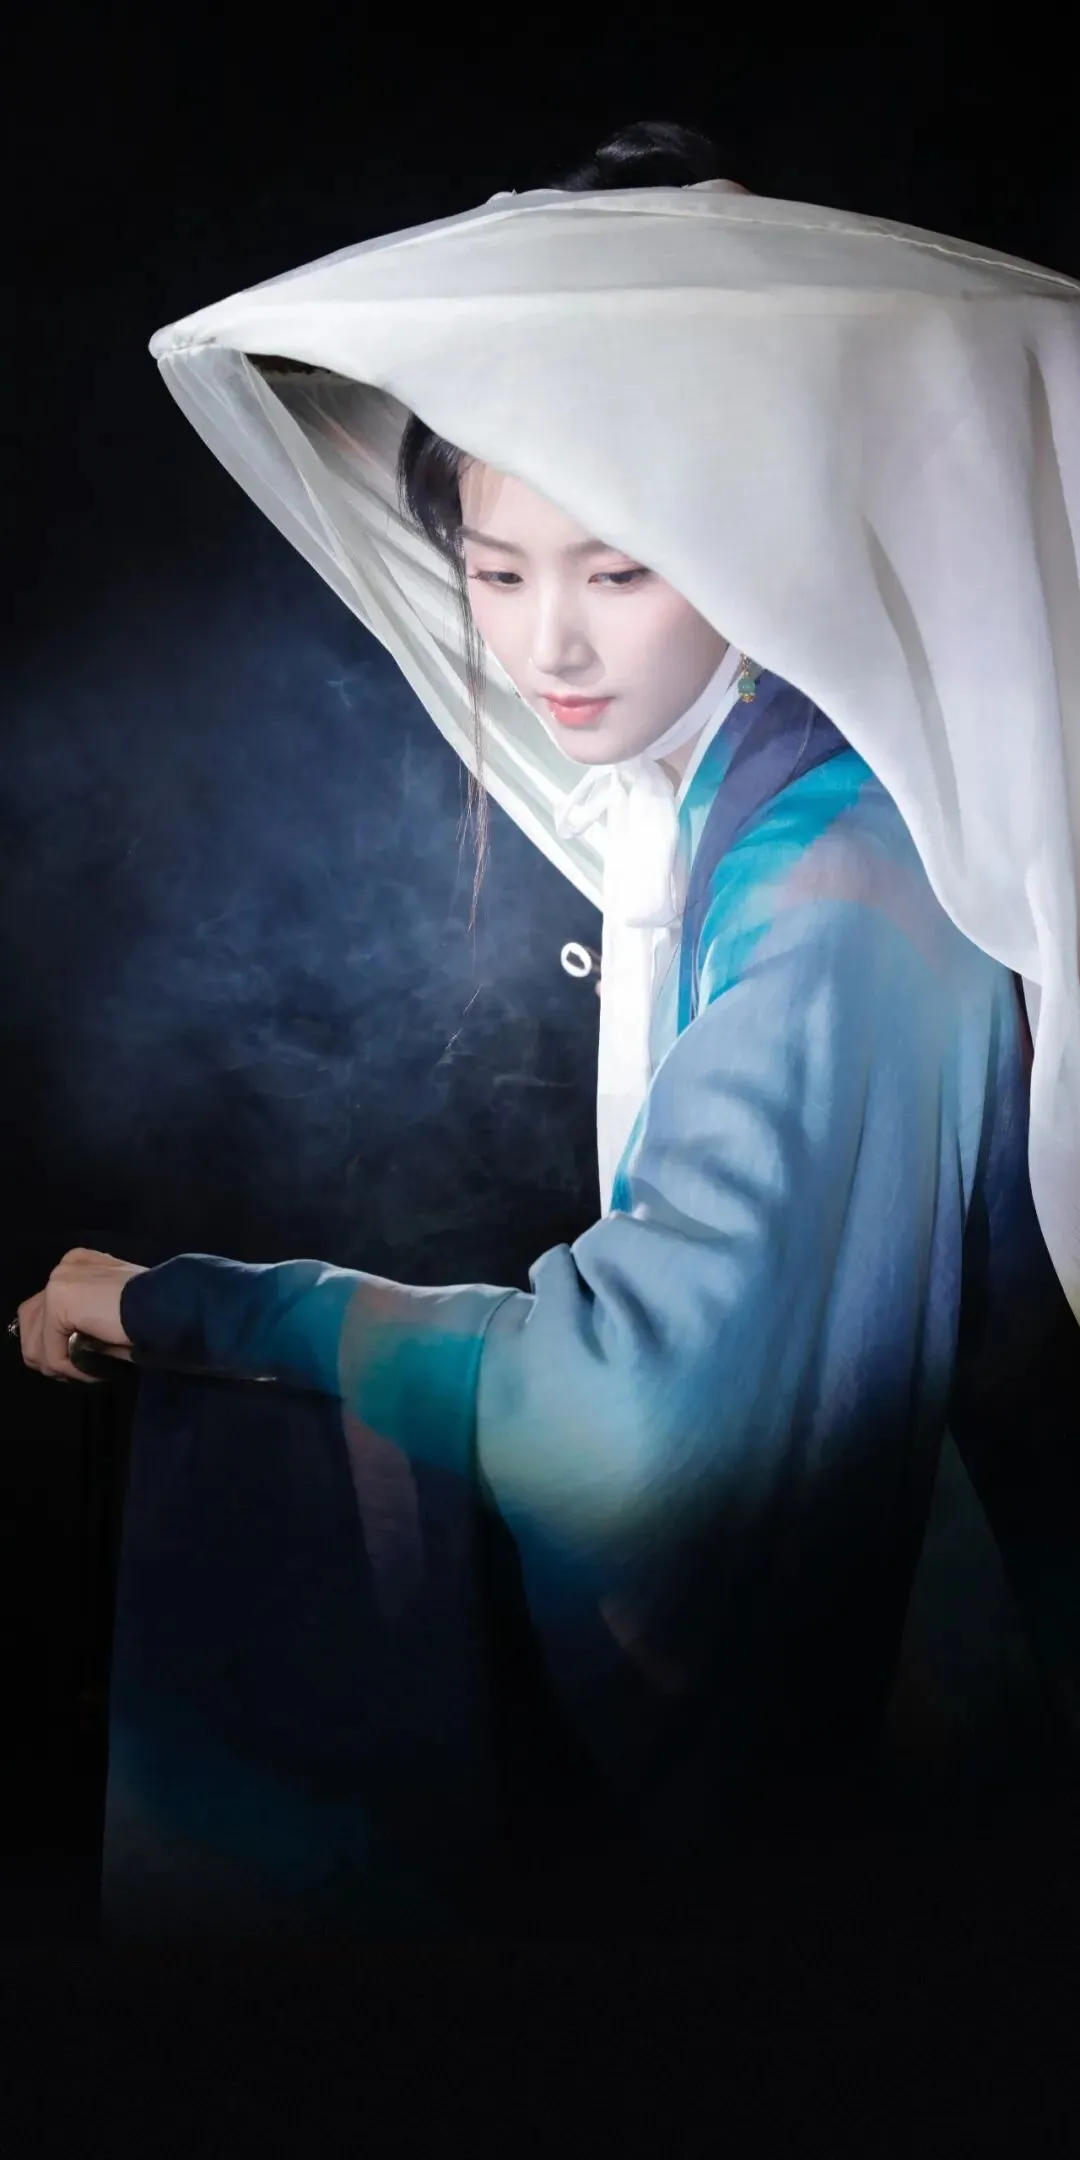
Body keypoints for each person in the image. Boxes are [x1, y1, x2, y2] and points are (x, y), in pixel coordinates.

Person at [14, 122, 1080, 1939]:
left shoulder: (849, 878)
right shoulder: (750, 783)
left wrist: (199, 1312)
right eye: (497, 574)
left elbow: (638, 1431)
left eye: (620, 570)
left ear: (751, 542)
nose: (550, 649)